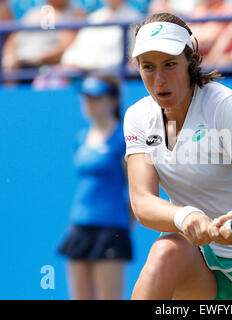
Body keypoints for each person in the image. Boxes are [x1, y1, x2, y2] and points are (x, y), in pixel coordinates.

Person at [123, 12, 232, 300]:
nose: (159, 80)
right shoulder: (138, 117)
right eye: (148, 67)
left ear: (190, 59)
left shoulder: (224, 107)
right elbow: (142, 202)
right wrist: (186, 216)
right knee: (164, 251)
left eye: (170, 65)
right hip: (196, 261)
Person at [58, 74, 133, 300]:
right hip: (79, 227)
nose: (89, 103)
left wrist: (127, 223)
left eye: (96, 97)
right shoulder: (80, 138)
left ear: (113, 101)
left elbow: (134, 187)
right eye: (86, 97)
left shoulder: (123, 139)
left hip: (111, 229)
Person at [1, 0, 85, 73]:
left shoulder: (76, 14)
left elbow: (65, 46)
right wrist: (10, 56)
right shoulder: (33, 13)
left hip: (44, 67)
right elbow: (13, 39)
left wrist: (37, 59)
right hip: (21, 63)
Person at [60, 0, 141, 72]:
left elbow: (126, 59)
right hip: (85, 73)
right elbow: (72, 54)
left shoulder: (135, 18)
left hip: (111, 76)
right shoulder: (94, 18)